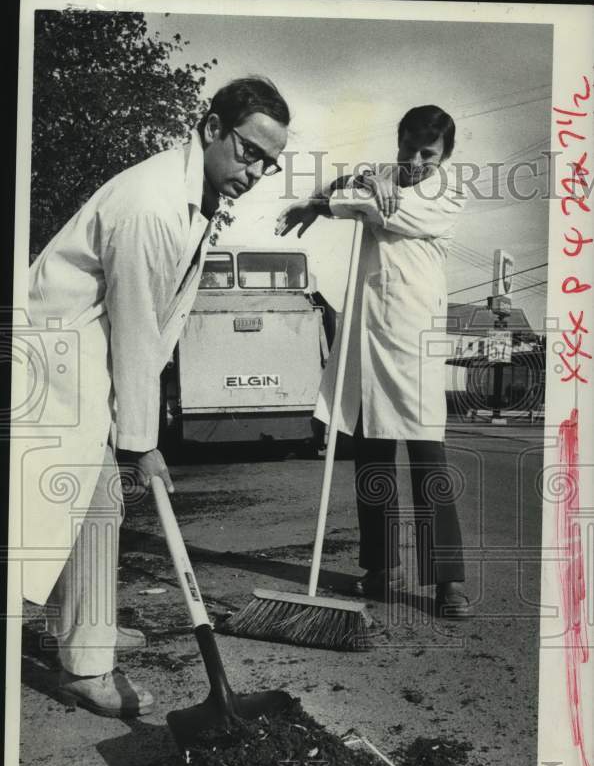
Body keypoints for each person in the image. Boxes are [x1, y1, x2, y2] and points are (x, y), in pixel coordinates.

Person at [21, 76, 290, 716]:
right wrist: (142, 444)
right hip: (57, 358)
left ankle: (86, 635)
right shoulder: (151, 203)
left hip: (87, 355)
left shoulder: (191, 197)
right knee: (67, 505)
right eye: (249, 152)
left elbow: (152, 326)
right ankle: (85, 666)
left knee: (95, 505)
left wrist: (134, 434)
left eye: (269, 164)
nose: (255, 172)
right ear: (211, 128)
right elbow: (138, 327)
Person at [276, 105, 470, 618]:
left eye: (427, 153)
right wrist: (359, 178)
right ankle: (380, 567)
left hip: (416, 337)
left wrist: (334, 199)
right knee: (373, 460)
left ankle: (447, 580)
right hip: (367, 336)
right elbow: (350, 187)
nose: (415, 159)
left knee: (429, 460)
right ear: (398, 141)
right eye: (407, 148)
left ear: (445, 156)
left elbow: (372, 207)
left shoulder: (448, 193)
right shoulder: (380, 177)